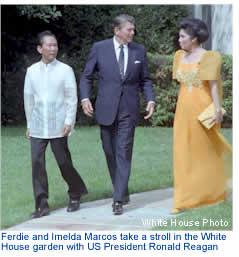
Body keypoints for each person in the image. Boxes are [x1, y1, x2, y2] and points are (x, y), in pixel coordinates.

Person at [80, 14, 155, 215]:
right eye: (129, 29)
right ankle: (123, 189)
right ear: (117, 30)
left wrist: (150, 99)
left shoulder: (139, 50)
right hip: (105, 108)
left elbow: (146, 80)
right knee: (110, 152)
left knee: (123, 151)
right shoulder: (100, 48)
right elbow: (87, 76)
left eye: (133, 29)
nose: (133, 32)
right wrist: (85, 98)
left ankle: (118, 199)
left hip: (129, 110)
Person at [24, 30, 88, 218]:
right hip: (37, 125)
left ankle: (76, 192)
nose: (53, 48)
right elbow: (28, 99)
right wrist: (29, 124)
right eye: (49, 45)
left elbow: (71, 98)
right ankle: (41, 205)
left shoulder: (65, 70)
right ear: (39, 48)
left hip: (59, 124)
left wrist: (69, 121)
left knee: (63, 162)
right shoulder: (31, 71)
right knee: (37, 164)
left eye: (55, 45)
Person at [172, 18, 232, 214]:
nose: (179, 40)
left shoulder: (209, 57)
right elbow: (181, 85)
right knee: (182, 153)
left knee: (204, 153)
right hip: (183, 112)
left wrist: (217, 110)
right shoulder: (179, 56)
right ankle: (182, 198)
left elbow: (214, 87)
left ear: (195, 39)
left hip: (202, 110)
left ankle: (211, 193)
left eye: (183, 36)